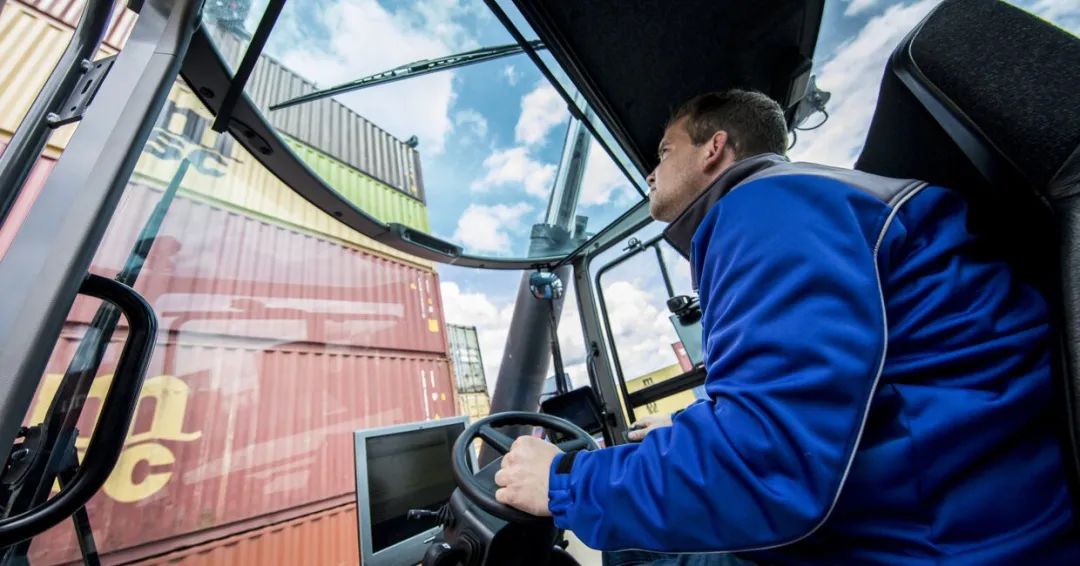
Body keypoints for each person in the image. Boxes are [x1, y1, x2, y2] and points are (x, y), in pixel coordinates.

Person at [492, 90, 1080, 564]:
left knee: (634, 554)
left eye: (665, 151)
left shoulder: (766, 208)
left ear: (714, 148)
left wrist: (563, 479)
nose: (652, 171)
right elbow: (817, 407)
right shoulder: (805, 207)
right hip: (948, 512)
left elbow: (766, 465)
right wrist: (700, 423)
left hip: (941, 542)